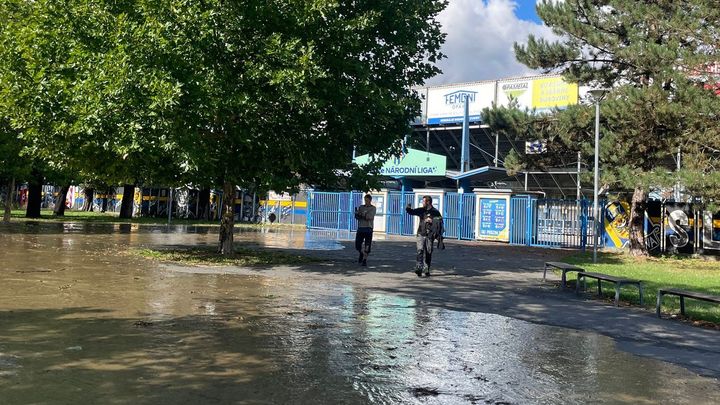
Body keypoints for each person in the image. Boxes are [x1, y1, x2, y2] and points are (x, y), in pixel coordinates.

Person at [406, 196, 442, 277]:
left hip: (430, 235)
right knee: (420, 250)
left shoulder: (435, 212)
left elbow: (440, 221)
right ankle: (419, 268)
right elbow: (411, 212)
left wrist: (432, 220)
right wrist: (408, 208)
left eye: (423, 201)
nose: (422, 203)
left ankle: (426, 269)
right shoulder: (421, 210)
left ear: (428, 202)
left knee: (428, 252)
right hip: (420, 233)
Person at [354, 194, 376, 266]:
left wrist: (362, 215)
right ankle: (361, 253)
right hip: (360, 228)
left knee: (367, 245)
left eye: (367, 200)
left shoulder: (373, 208)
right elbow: (357, 217)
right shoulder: (361, 207)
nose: (366, 202)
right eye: (365, 200)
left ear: (370, 200)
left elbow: (369, 217)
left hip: (368, 229)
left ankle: (364, 260)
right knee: (357, 245)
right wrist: (357, 214)